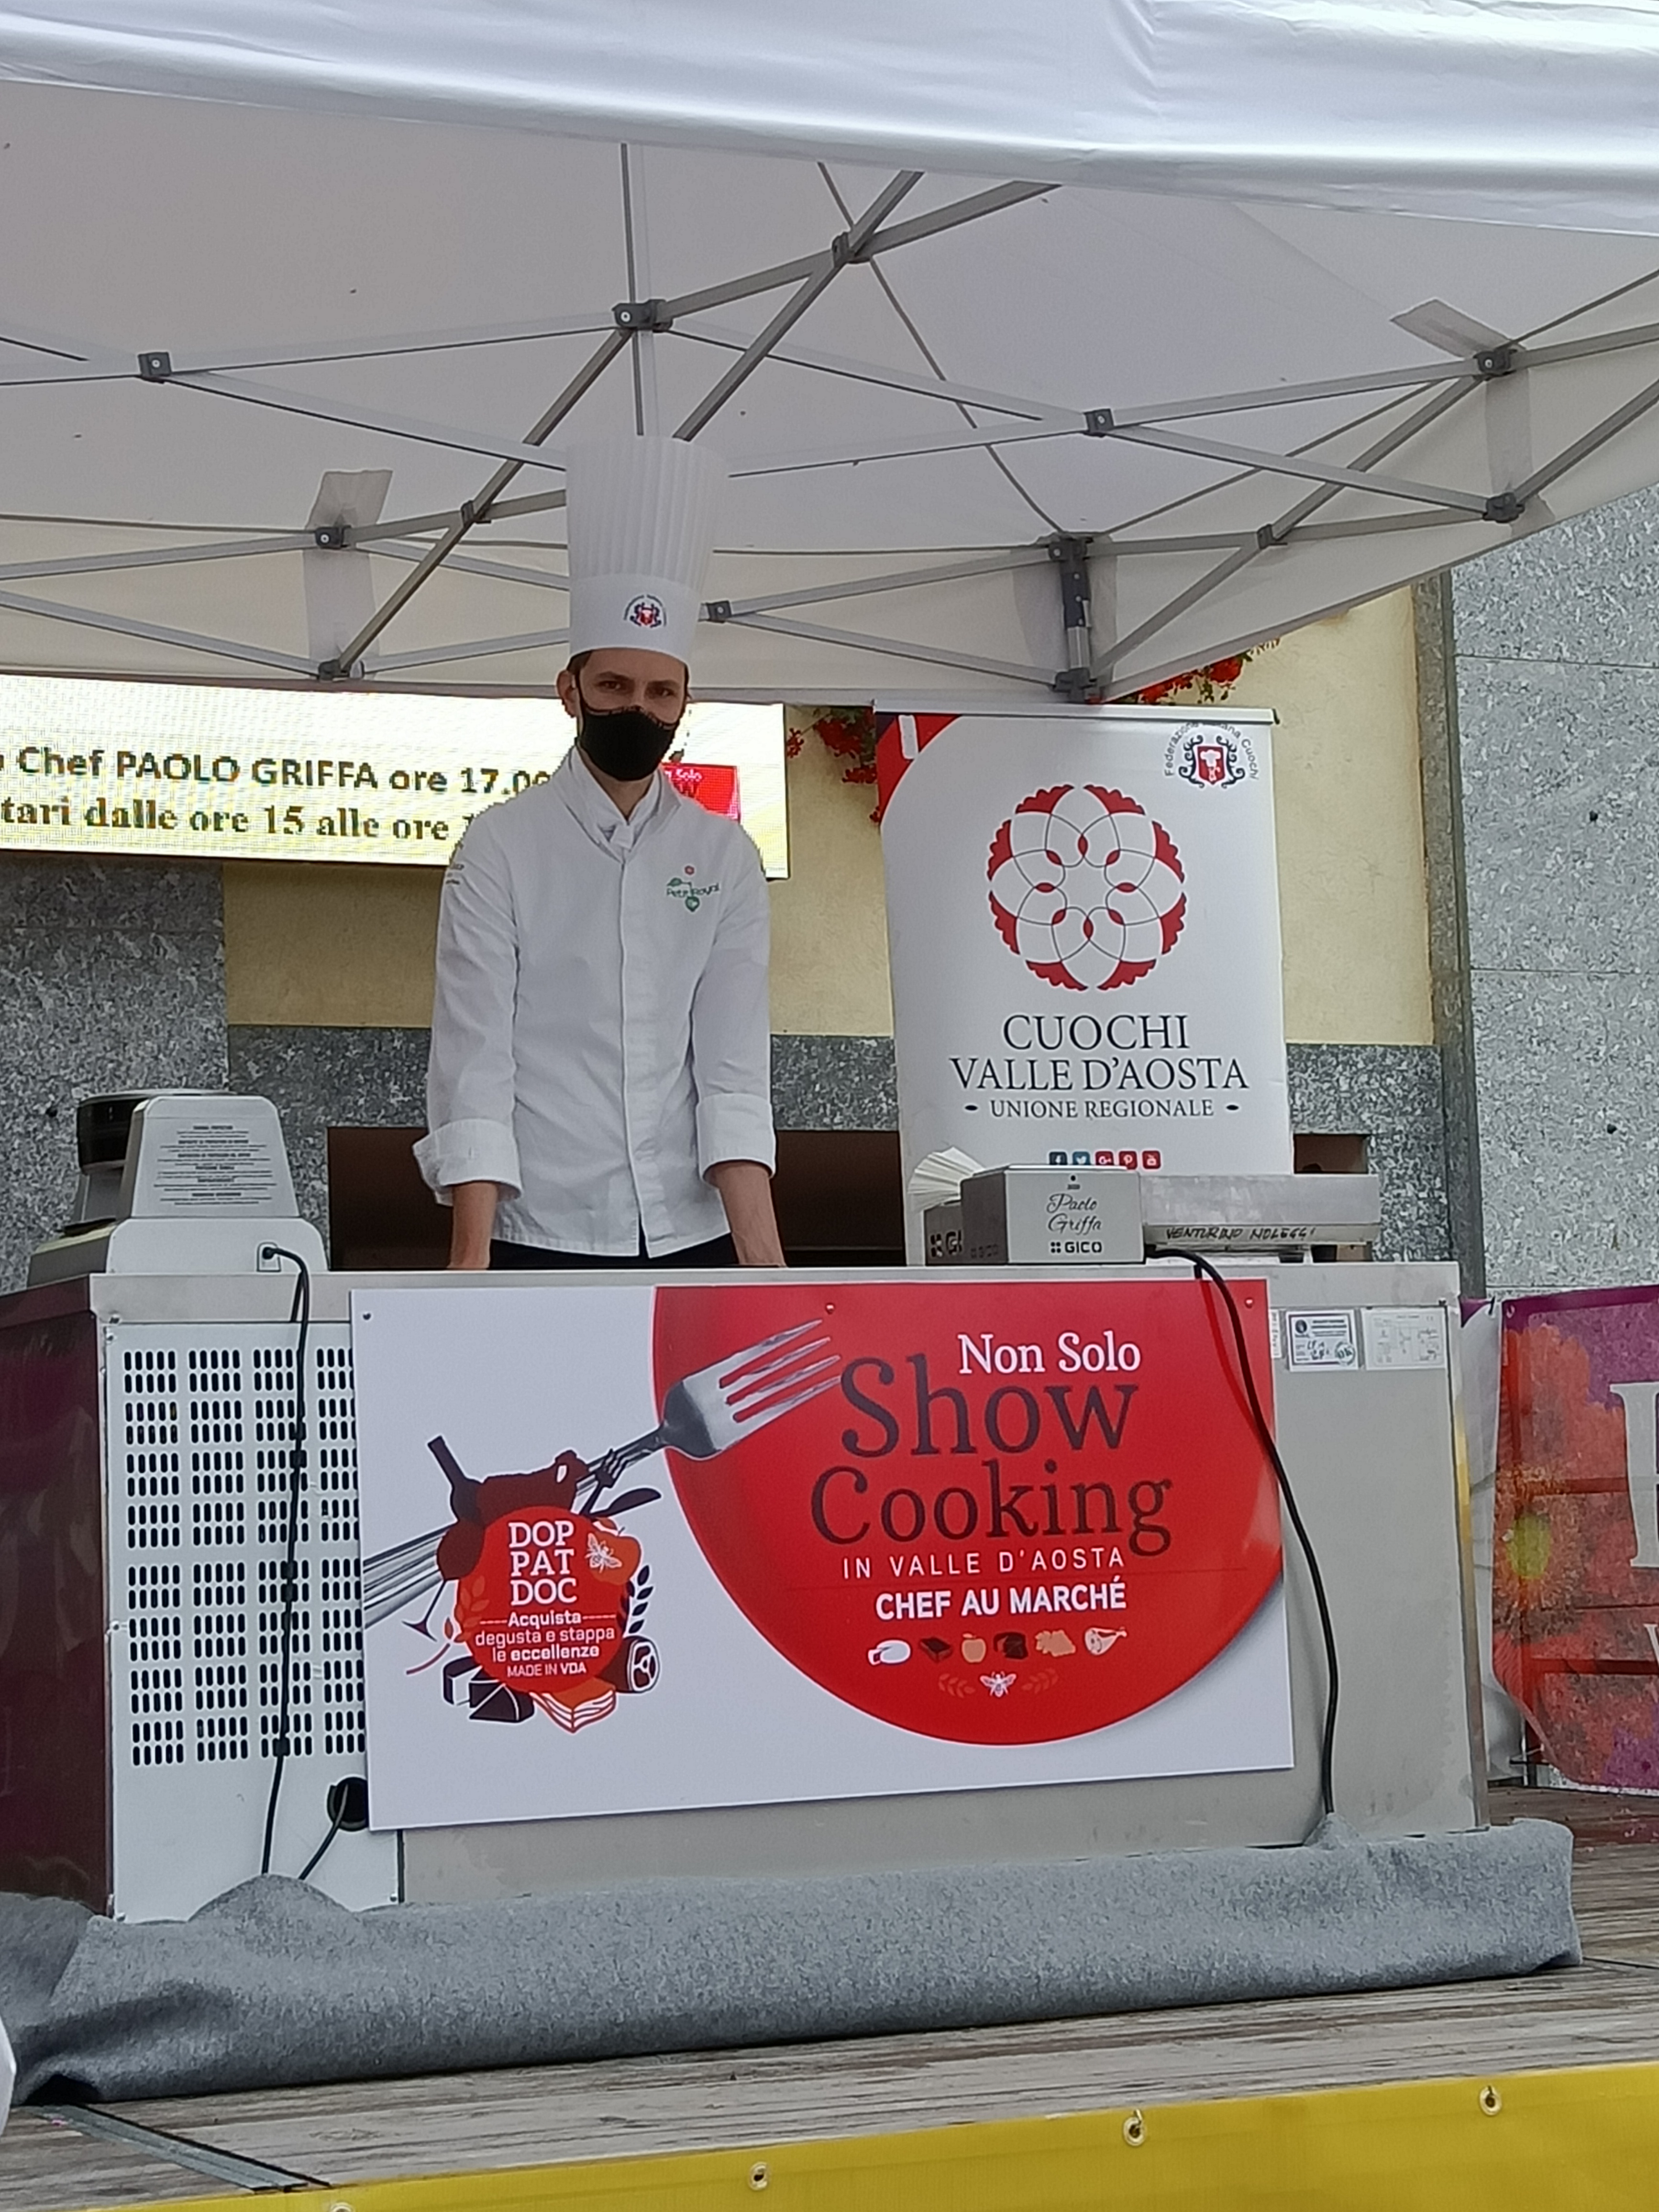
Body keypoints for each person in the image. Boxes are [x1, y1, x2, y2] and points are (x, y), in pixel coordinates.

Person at [414, 436, 783, 1271]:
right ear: (569, 691)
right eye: (615, 686)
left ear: (685, 703)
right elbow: (475, 1060)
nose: (638, 710)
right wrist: (468, 1267)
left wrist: (767, 1270)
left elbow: (732, 1067)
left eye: (661, 692)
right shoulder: (502, 846)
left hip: (691, 1230)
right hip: (541, 1228)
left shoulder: (724, 856)